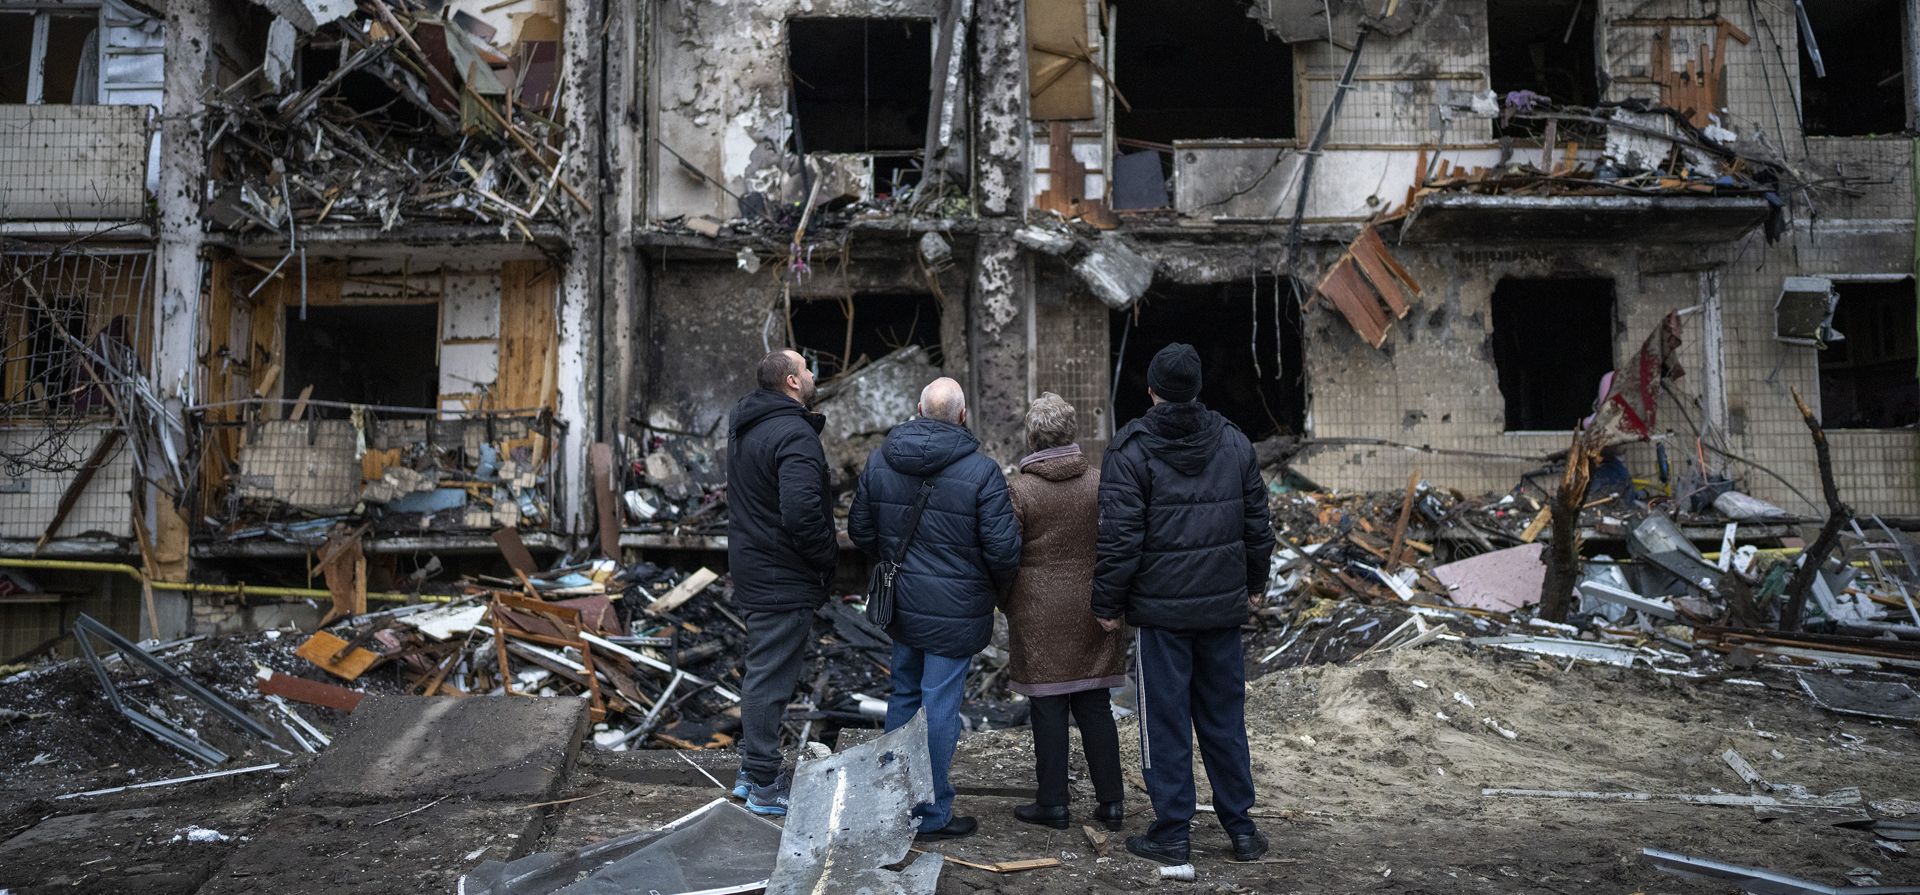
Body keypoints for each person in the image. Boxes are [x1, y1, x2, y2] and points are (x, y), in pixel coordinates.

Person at [1093, 343, 1276, 865]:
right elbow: (1257, 524)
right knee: (1224, 719)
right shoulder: (1234, 442)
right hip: (1220, 609)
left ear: (1151, 390)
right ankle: (1241, 829)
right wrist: (1255, 582)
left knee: (1164, 722)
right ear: (1197, 389)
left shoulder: (1130, 451)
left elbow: (1119, 540)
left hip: (1162, 615)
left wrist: (1108, 603)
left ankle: (1172, 832)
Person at [849, 377, 1020, 841]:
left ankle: (892, 803)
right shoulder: (982, 471)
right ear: (963, 415)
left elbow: (860, 531)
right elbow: (1003, 550)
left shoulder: (880, 460)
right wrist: (990, 589)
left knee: (904, 694)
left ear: (918, 409)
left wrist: (893, 559)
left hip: (902, 603)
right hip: (956, 609)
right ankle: (930, 813)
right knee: (939, 703)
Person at [1002, 393, 1127, 832]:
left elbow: (1005, 553)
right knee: (1095, 704)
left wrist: (1006, 600)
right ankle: (1112, 803)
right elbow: (1118, 542)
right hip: (1094, 607)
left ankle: (1053, 803)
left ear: (1032, 437)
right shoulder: (1100, 482)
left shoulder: (1019, 489)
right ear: (1072, 432)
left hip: (1037, 611)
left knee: (1048, 707)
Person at [725, 349, 838, 816]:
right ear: (792, 381)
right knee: (770, 678)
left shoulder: (747, 428)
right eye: (806, 369)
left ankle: (752, 774)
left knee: (763, 671)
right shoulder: (793, 432)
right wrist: (826, 556)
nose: (812, 375)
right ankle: (765, 783)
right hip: (781, 573)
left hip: (757, 565)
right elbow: (801, 511)